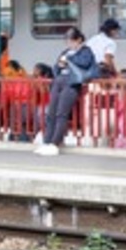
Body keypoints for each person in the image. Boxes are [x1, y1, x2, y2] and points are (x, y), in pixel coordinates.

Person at [36, 28, 96, 157]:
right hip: (59, 81)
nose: (69, 44)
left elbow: (85, 63)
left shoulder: (86, 51)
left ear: (79, 39)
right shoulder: (65, 52)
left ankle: (55, 144)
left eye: (71, 40)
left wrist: (69, 60)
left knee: (61, 114)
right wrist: (60, 65)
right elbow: (55, 67)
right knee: (51, 113)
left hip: (72, 83)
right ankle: (46, 142)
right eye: (67, 41)